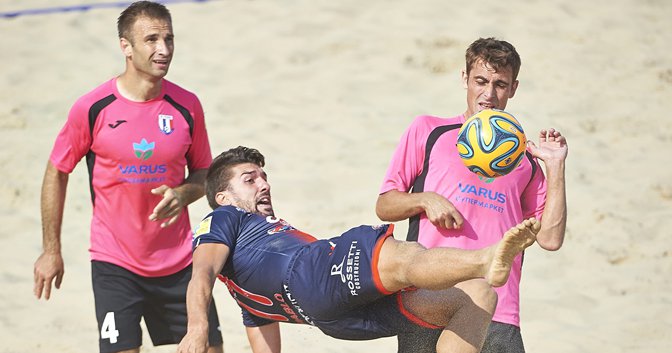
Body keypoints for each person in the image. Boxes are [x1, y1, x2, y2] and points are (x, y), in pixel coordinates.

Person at [176, 146, 541, 353]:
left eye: (264, 176)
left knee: (476, 297)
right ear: (223, 198)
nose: (265, 184)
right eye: (250, 179)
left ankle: (481, 269)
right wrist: (197, 329)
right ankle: (483, 257)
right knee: (399, 255)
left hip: (339, 318)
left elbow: (263, 339)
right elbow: (202, 273)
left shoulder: (248, 292)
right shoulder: (225, 217)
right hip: (313, 274)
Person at [32, 2, 224, 353]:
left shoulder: (187, 105)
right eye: (151, 39)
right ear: (126, 46)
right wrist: (51, 250)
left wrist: (185, 193)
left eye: (169, 38)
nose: (163, 49)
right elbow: (57, 170)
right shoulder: (93, 108)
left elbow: (203, 172)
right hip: (115, 264)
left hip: (180, 261)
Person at [376, 37, 568, 353]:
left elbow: (550, 238)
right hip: (430, 299)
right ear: (465, 78)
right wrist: (424, 199)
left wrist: (556, 166)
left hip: (499, 308)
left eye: (500, 84)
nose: (489, 94)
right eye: (480, 81)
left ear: (514, 88)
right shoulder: (430, 131)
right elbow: (385, 204)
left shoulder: (526, 159)